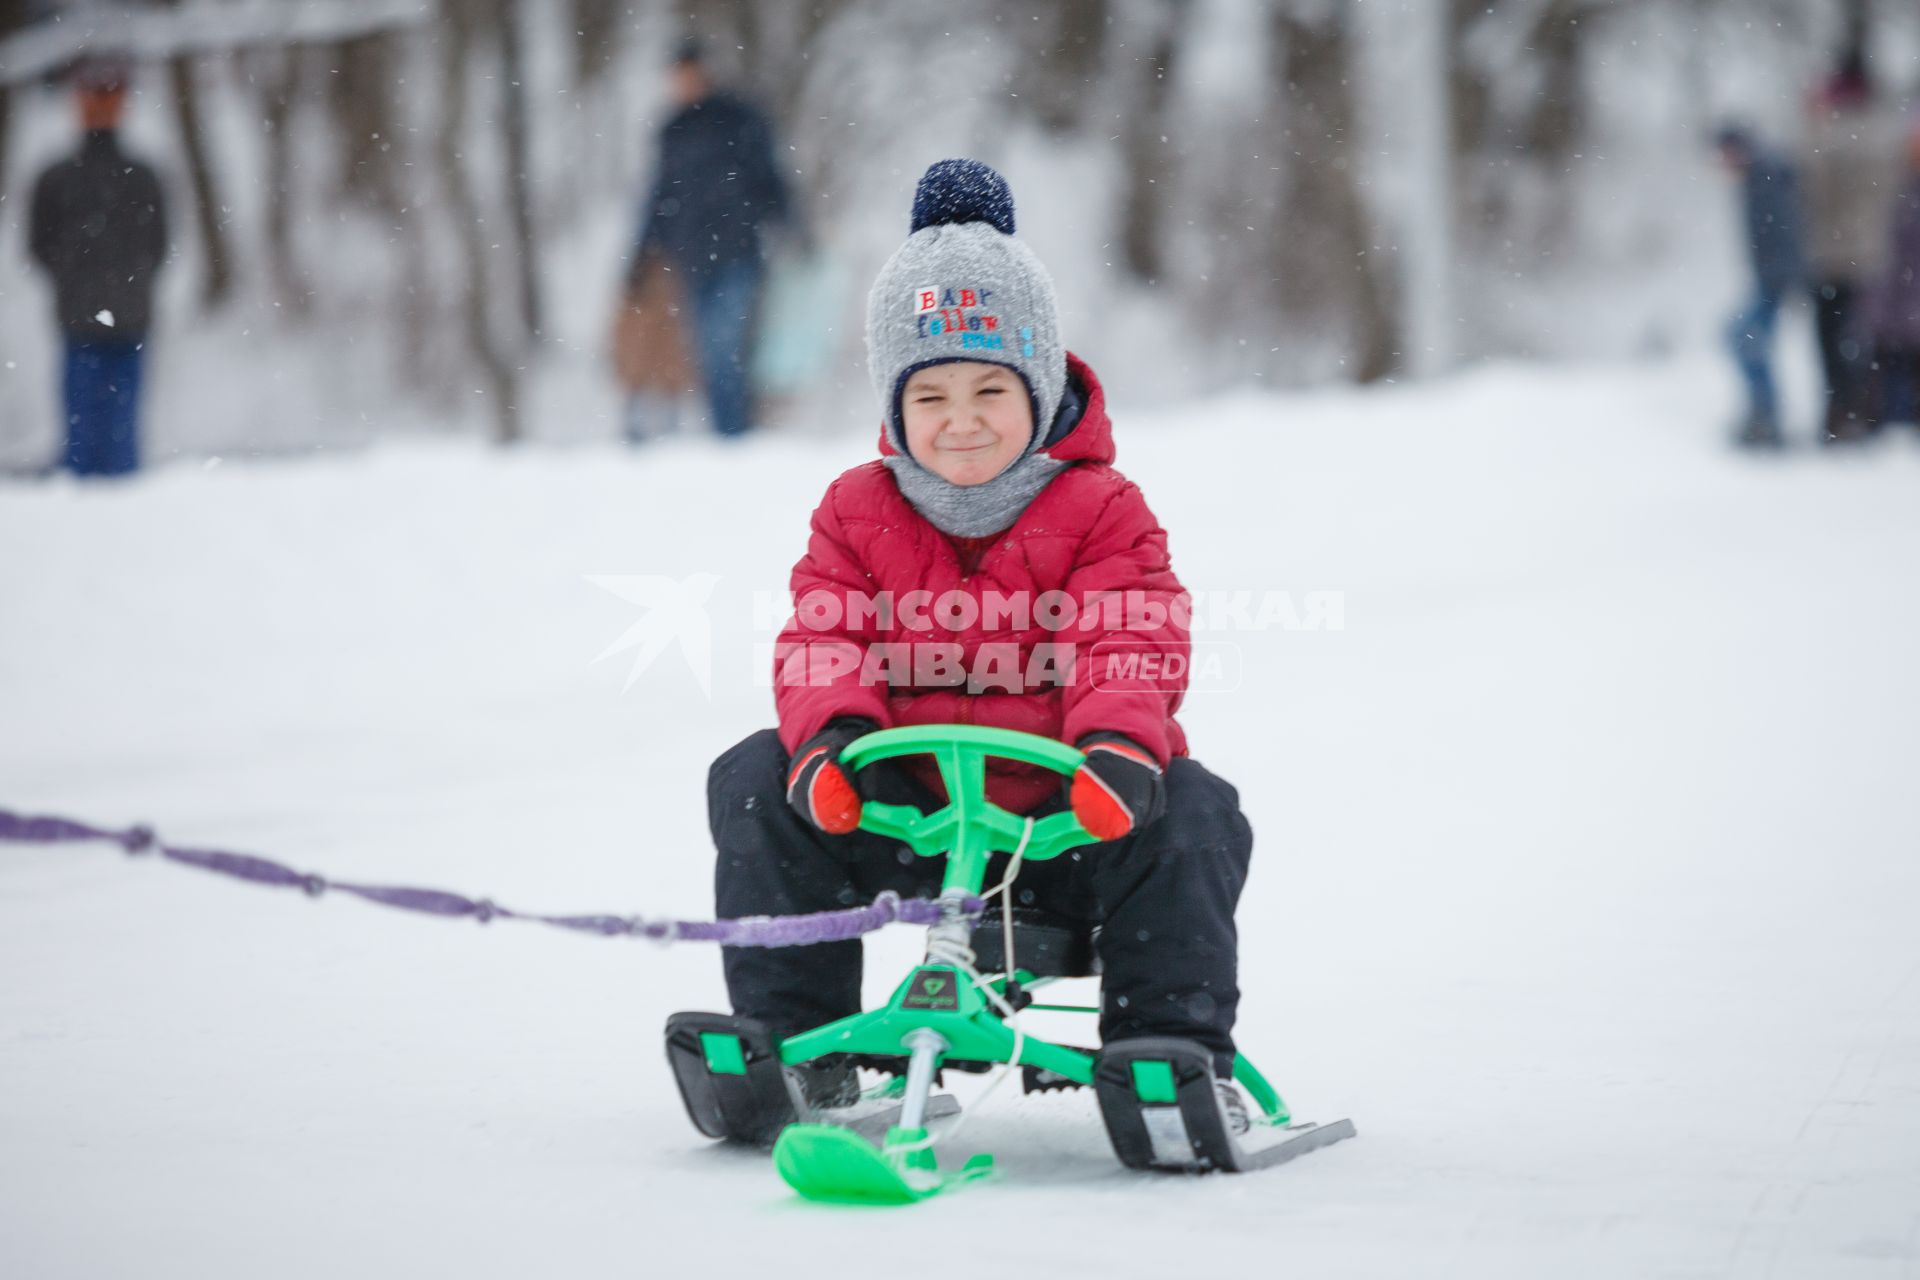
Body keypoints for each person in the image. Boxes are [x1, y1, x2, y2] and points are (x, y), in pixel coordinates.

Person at [706, 160, 1256, 1125]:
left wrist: (1117, 747)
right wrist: (827, 743)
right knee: (753, 773)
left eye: (991, 390)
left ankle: (1168, 1056)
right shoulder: (854, 509)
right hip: (904, 820)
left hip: (1064, 824)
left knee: (1197, 810)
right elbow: (821, 634)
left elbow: (1126, 631)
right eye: (931, 398)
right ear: (895, 407)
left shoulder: (1100, 509)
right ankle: (796, 1046)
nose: (961, 423)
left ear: (1039, 388)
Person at [625, 39, 789, 439]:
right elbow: (659, 197)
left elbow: (769, 177)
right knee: (709, 351)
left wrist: (793, 228)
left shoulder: (739, 117)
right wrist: (639, 256)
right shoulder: (672, 129)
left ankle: (736, 433)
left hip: (738, 251)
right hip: (689, 256)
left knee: (725, 345)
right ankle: (731, 434)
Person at [28, 59, 168, 478]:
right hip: (82, 321)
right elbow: (39, 245)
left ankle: (117, 512)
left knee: (120, 436)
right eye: (94, 93)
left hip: (125, 322)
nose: (102, 104)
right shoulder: (58, 177)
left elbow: (158, 244)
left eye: (110, 93)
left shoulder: (143, 177)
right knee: (83, 435)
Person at [1801, 55, 1897, 443]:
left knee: (1834, 340)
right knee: (1860, 338)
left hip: (1837, 257)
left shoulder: (1834, 137)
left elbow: (1818, 193)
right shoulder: (1880, 134)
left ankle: (1843, 414)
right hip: (1869, 255)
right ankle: (1862, 412)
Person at [1716, 124, 1805, 449]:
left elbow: (1786, 230)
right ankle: (1763, 414)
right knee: (1744, 339)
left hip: (1775, 279)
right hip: (1770, 277)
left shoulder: (1766, 176)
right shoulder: (1760, 175)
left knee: (1745, 339)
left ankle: (1766, 417)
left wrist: (1788, 277)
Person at [1868, 116, 1920, 429]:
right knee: (1890, 355)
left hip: (1906, 290)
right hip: (1894, 290)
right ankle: (1890, 417)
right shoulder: (1896, 186)